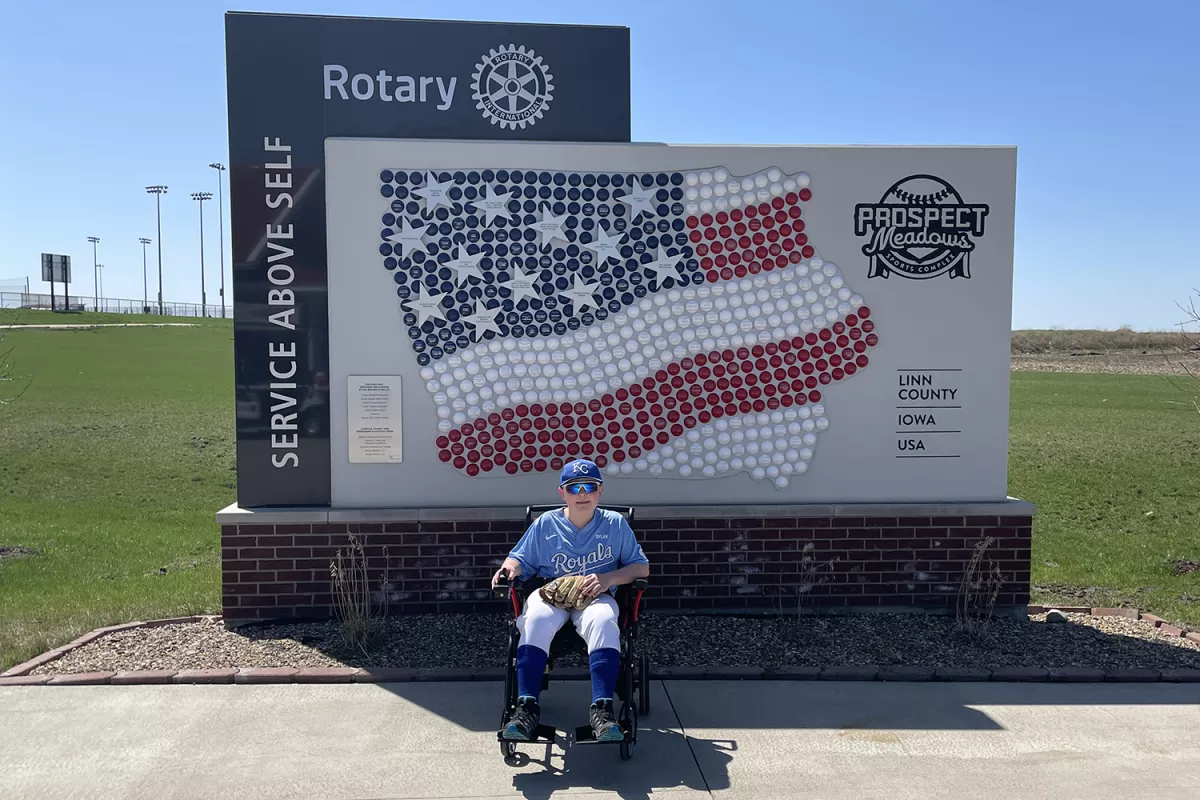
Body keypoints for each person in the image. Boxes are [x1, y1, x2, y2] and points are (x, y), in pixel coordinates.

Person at [491, 458, 650, 742]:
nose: (582, 494)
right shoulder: (545, 524)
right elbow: (519, 559)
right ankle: (526, 708)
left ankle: (602, 711)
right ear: (562, 492)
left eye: (589, 486)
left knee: (603, 620)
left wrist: (608, 579)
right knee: (534, 618)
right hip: (552, 593)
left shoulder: (615, 524)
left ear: (600, 491)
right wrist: (507, 570)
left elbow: (641, 567)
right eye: (574, 488)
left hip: (595, 595)